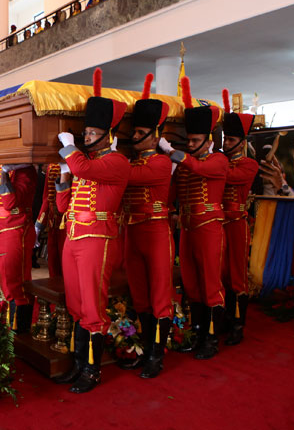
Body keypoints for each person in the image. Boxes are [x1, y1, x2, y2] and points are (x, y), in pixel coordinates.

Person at [54, 68, 130, 393]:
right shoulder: (85, 163)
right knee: (74, 304)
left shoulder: (116, 162)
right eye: (83, 135)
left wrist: (70, 151)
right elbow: (62, 207)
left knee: (93, 308)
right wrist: (61, 179)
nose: (85, 139)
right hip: (73, 237)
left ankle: (92, 370)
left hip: (98, 239)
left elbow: (83, 167)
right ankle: (77, 365)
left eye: (90, 134)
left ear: (107, 134)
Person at [163, 76, 228, 360]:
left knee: (211, 284)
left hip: (210, 228)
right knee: (191, 283)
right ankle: (198, 332)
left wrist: (173, 153)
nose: (190, 145)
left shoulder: (218, 160)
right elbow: (173, 190)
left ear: (209, 140)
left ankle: (212, 339)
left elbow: (201, 170)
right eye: (188, 141)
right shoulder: (187, 162)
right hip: (188, 228)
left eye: (195, 140)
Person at [120, 74, 174, 378]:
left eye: (140, 133)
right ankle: (145, 348)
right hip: (133, 232)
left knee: (160, 296)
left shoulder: (161, 163)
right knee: (139, 295)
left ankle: (157, 354)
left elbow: (128, 178)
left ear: (154, 136)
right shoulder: (133, 160)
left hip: (155, 232)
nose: (134, 137)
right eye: (134, 132)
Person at [219, 89, 259, 346]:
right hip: (217, 222)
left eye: (231, 140)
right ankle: (223, 318)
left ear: (242, 142)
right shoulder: (220, 160)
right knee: (220, 273)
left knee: (236, 275)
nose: (225, 144)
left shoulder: (248, 164)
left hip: (236, 222)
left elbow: (230, 178)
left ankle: (238, 323)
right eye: (224, 139)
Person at [0, 163, 37, 333]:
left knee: (15, 282)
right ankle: (13, 326)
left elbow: (9, 202)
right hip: (4, 228)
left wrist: (3, 172)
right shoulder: (9, 166)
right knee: (7, 280)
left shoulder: (25, 169)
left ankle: (19, 329)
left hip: (17, 229)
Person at [35, 163, 65, 282]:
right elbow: (48, 198)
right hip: (55, 221)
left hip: (71, 220)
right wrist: (39, 224)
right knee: (54, 261)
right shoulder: (53, 167)